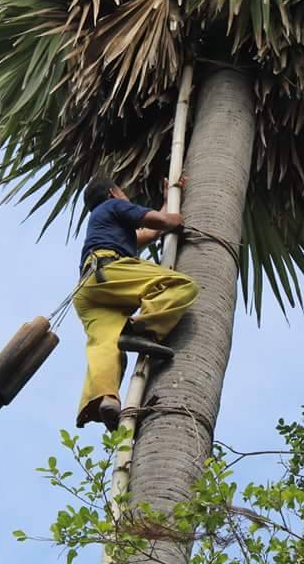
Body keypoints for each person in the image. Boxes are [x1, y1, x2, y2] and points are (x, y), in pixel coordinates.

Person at [73, 175, 199, 432]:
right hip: (108, 272)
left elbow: (151, 233)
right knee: (180, 285)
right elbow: (162, 223)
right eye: (123, 192)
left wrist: (168, 200)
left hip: (88, 292)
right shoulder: (113, 206)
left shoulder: (104, 224)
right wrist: (175, 218)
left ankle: (104, 399)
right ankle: (138, 330)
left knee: (105, 344)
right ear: (113, 193)